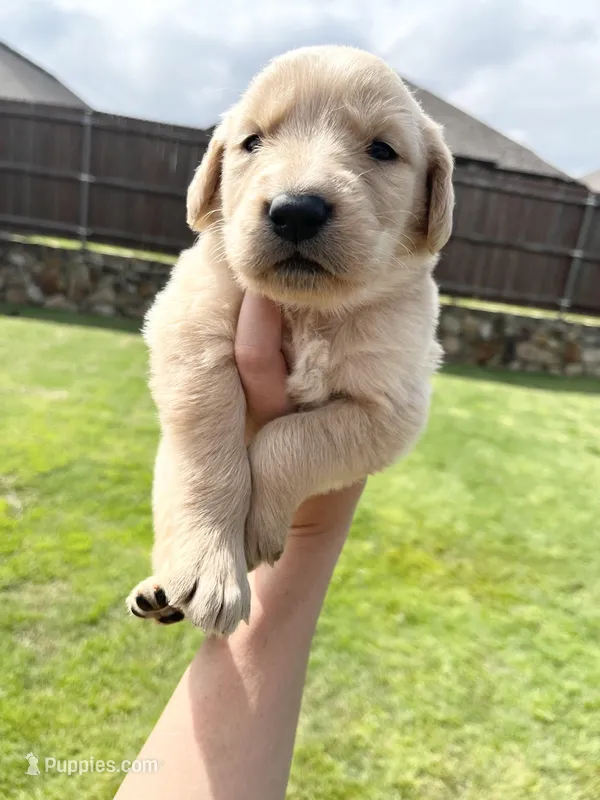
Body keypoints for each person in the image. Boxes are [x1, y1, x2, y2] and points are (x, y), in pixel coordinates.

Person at [115, 292, 364, 800]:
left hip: (299, 493)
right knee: (194, 464)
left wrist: (284, 480)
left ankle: (193, 564)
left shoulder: (402, 299)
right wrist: (216, 508)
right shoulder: (214, 271)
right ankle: (179, 563)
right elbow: (179, 342)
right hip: (209, 479)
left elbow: (392, 413)